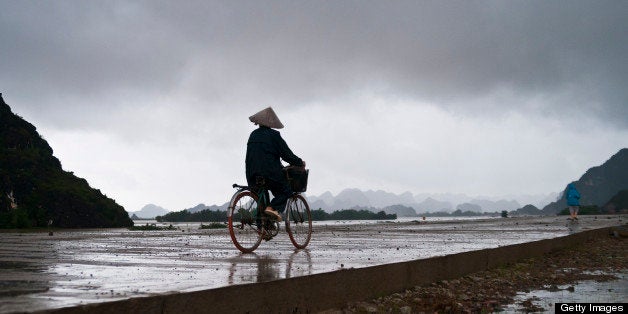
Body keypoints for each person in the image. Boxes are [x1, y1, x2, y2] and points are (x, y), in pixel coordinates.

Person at [245, 107, 305, 222]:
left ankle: (263, 227)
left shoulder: (253, 135)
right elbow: (287, 155)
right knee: (285, 190)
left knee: (261, 198)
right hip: (269, 172)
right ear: (271, 123)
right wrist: (299, 162)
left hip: (251, 173)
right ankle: (273, 208)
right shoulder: (274, 135)